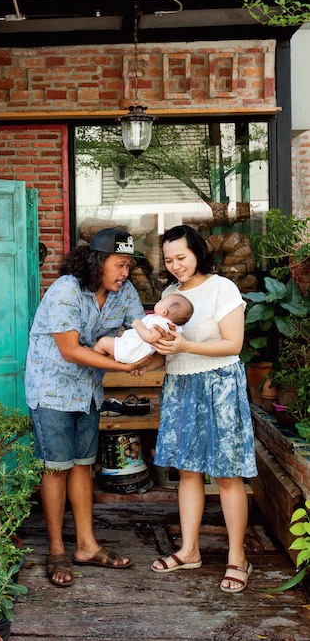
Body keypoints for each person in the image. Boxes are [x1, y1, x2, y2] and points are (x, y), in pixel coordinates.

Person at [25, 227, 156, 588]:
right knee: (56, 468)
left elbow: (140, 329)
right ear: (98, 262)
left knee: (83, 466)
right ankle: (56, 550)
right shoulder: (66, 290)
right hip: (51, 390)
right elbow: (69, 350)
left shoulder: (124, 292)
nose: (125, 273)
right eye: (119, 265)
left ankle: (86, 545)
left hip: (88, 393)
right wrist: (122, 366)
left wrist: (154, 343)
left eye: (128, 265)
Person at [145, 224, 257, 593]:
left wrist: (184, 347)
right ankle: (189, 550)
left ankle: (238, 558)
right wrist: (146, 361)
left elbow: (233, 344)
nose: (175, 265)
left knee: (226, 474)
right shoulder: (169, 295)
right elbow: (170, 350)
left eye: (181, 257)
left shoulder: (222, 288)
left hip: (220, 385)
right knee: (187, 471)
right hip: (181, 386)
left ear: (197, 253)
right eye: (169, 260)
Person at [93, 293, 193, 363]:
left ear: (164, 312)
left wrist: (138, 325)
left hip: (130, 350)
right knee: (108, 343)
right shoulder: (167, 324)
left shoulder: (160, 323)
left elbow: (150, 337)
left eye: (161, 301)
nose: (158, 301)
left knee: (103, 342)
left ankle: (93, 356)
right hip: (133, 351)